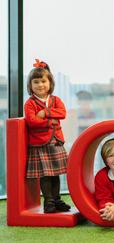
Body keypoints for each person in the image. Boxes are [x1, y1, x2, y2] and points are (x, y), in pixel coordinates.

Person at [24, 59, 72, 213]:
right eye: (36, 82)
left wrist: (45, 113)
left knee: (56, 173)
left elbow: (62, 113)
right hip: (40, 145)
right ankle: (49, 202)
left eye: (43, 81)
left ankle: (57, 200)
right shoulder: (30, 103)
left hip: (55, 143)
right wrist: (50, 122)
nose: (40, 85)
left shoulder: (56, 100)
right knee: (45, 175)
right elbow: (32, 121)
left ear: (50, 83)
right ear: (30, 86)